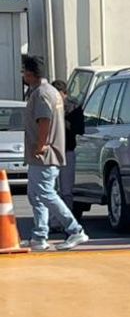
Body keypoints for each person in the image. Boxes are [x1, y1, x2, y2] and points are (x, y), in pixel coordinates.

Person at [21, 55, 88, 251]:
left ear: (30, 73)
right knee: (36, 194)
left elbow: (44, 120)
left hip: (43, 154)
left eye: (24, 71)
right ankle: (39, 236)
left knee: (46, 193)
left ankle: (75, 230)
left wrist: (41, 146)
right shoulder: (50, 91)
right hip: (44, 154)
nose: (23, 75)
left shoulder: (42, 93)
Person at [52, 78, 83, 212]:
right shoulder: (48, 105)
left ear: (65, 94)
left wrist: (62, 119)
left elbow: (79, 128)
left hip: (67, 149)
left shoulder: (73, 107)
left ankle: (67, 219)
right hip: (52, 152)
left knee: (66, 190)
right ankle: (54, 221)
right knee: (51, 190)